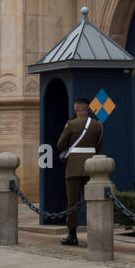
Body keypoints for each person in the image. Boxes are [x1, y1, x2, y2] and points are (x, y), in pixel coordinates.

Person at [56, 98, 103, 247]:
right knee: (93, 201)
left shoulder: (71, 124)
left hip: (74, 168)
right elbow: (98, 146)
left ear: (76, 108)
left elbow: (60, 145)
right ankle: (96, 234)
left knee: (73, 203)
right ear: (88, 108)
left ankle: (72, 235)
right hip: (91, 167)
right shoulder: (97, 125)